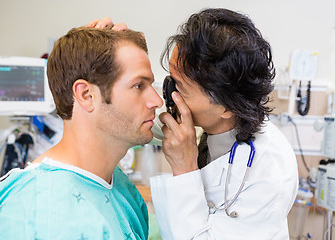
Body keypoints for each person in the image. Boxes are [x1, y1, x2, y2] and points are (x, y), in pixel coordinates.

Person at [89, 8, 299, 240]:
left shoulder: (268, 173)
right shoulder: (216, 123)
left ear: (226, 107)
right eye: (170, 80)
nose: (165, 96)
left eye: (179, 88)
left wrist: (184, 167)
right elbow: (144, 117)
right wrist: (114, 60)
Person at [0, 27, 163, 239]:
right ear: (86, 95)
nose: (157, 101)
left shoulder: (119, 188)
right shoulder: (33, 214)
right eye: (139, 86)